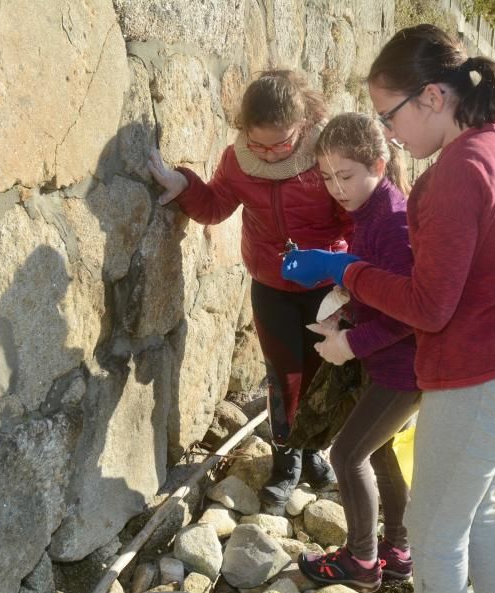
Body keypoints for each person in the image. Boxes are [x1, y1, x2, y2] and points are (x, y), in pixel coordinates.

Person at [282, 25, 495, 593]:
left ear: (433, 98)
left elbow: (428, 306)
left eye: (391, 116)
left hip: (479, 380)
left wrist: (346, 274)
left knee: (436, 532)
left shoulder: (453, 175)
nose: (390, 134)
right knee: (482, 510)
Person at [148, 69, 350, 512]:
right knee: (284, 376)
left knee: (324, 375)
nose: (269, 154)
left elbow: (357, 213)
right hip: (270, 285)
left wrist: (354, 273)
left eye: (280, 144)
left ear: (304, 123)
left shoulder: (328, 156)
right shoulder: (238, 160)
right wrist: (185, 185)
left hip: (326, 287)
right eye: (258, 144)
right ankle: (286, 461)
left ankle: (316, 450)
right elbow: (217, 205)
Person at [294, 112, 420, 593]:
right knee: (380, 450)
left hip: (402, 370)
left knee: (347, 454)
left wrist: (350, 343)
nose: (335, 188)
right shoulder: (368, 213)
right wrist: (345, 314)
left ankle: (363, 559)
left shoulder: (392, 223)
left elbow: (408, 311)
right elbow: (375, 288)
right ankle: (398, 549)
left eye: (345, 176)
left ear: (379, 166)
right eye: (326, 178)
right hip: (389, 364)